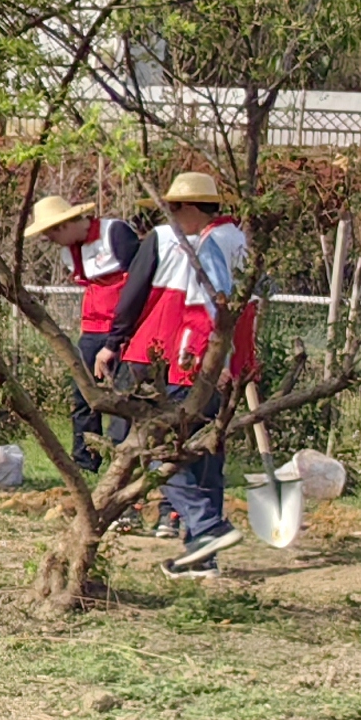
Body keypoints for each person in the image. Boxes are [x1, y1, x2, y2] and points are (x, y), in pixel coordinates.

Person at [105, 169, 251, 575]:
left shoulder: (198, 243)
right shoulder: (239, 239)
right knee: (206, 454)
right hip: (221, 363)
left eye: (173, 206)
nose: (168, 214)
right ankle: (202, 556)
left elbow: (208, 309)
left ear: (189, 207)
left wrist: (115, 340)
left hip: (188, 359)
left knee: (159, 449)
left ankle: (206, 527)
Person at [30, 193, 145, 478]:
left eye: (50, 234)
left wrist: (119, 336)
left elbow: (139, 282)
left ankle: (123, 463)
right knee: (83, 396)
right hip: (92, 331)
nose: (50, 241)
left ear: (62, 226)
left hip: (126, 331)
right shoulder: (69, 251)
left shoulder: (114, 233)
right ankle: (85, 462)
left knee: (123, 398)